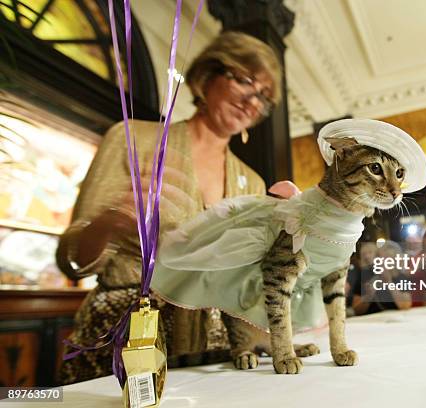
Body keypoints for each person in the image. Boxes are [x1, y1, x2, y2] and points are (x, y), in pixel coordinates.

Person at [55, 31, 282, 384]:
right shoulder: (133, 138)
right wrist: (112, 221)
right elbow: (71, 260)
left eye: (264, 98)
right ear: (207, 76)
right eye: (245, 81)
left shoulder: (251, 182)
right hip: (125, 340)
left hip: (210, 353)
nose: (254, 102)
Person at [352, 241, 412, 315]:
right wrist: (368, 296)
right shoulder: (365, 277)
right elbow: (356, 310)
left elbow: (405, 306)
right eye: (381, 259)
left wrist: (389, 283)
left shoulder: (401, 277)